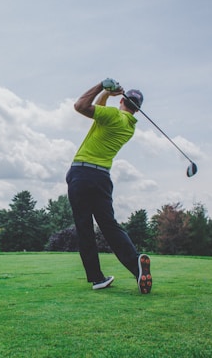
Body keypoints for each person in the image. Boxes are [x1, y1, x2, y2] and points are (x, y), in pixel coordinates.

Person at [66, 78, 152, 294]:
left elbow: (80, 106)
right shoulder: (128, 126)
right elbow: (100, 110)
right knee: (110, 226)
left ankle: (96, 278)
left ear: (122, 101)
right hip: (102, 178)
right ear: (138, 110)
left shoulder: (113, 116)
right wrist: (107, 95)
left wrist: (100, 86)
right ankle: (136, 267)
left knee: (84, 228)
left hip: (82, 174)